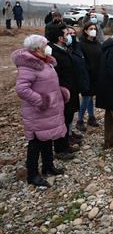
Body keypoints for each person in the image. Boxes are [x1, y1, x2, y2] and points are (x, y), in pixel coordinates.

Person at [11, 35, 67, 187]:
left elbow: (47, 83)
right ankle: (32, 175)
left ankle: (48, 167)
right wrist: (40, 101)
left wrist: (59, 92)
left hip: (48, 111)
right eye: (45, 44)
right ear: (37, 48)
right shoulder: (29, 65)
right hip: (37, 112)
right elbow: (22, 89)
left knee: (47, 138)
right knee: (35, 143)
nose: (48, 47)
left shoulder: (45, 61)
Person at [46, 23, 81, 160]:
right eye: (67, 34)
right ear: (60, 38)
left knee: (68, 117)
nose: (70, 36)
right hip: (62, 93)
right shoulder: (53, 53)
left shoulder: (65, 49)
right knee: (62, 119)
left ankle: (66, 143)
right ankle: (60, 148)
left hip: (71, 89)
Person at [76, 22, 103, 131]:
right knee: (86, 97)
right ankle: (80, 120)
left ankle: (91, 117)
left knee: (91, 97)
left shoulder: (97, 43)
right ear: (85, 31)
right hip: (86, 75)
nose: (93, 30)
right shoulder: (81, 44)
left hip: (96, 75)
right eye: (91, 28)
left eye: (94, 28)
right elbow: (81, 61)